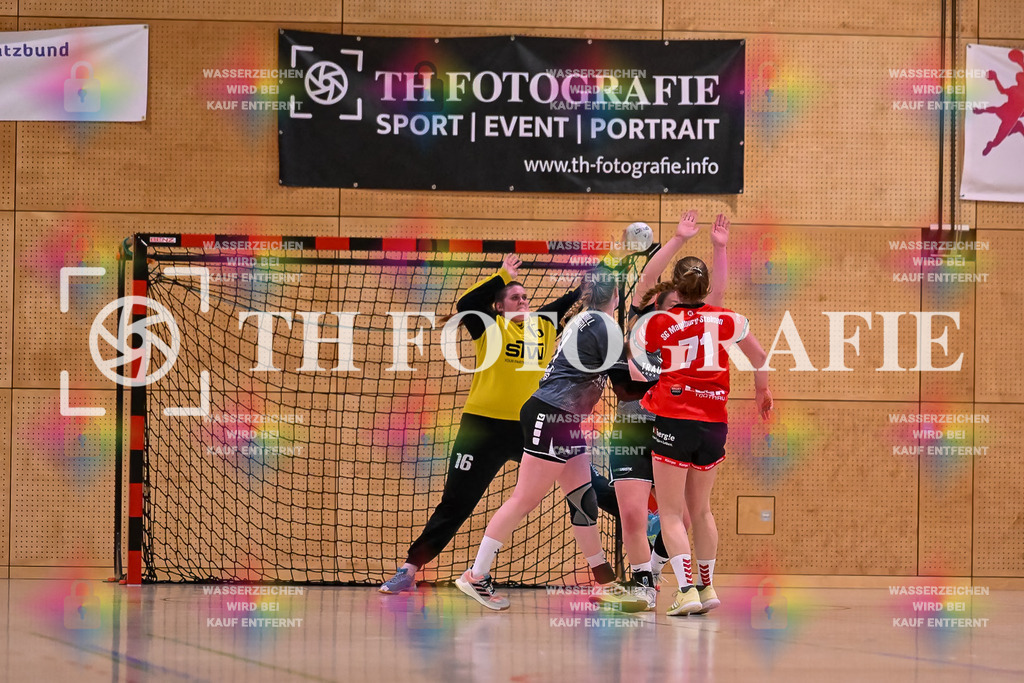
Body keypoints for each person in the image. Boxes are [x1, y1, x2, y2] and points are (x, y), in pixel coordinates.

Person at [379, 254, 619, 594]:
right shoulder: (489, 324)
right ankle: (410, 569)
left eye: (526, 297)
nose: (523, 301)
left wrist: (603, 268)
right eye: (514, 298)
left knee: (586, 484)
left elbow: (578, 294)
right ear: (499, 306)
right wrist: (502, 274)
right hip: (484, 428)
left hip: (531, 426)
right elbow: (466, 302)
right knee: (456, 503)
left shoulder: (544, 324)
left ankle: (641, 521)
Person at [455, 265, 641, 610]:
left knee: (583, 499)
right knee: (525, 499)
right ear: (615, 296)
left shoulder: (583, 321)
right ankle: (476, 575)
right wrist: (664, 367)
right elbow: (629, 382)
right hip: (553, 414)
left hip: (565, 418)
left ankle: (605, 582)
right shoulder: (603, 325)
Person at [601, 211, 730, 611]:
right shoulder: (645, 322)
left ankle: (657, 573)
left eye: (685, 304)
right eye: (673, 302)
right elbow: (643, 284)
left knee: (684, 512)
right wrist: (677, 240)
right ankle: (641, 583)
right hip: (631, 425)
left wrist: (719, 249)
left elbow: (718, 299)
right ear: (661, 302)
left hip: (672, 425)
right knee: (634, 514)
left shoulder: (697, 324)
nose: (681, 310)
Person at [636, 255, 772, 616]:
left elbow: (643, 359)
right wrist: (761, 392)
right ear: (707, 286)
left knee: (669, 512)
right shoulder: (729, 319)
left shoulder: (660, 321)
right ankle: (706, 585)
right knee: (701, 510)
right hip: (714, 423)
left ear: (676, 289)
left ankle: (685, 591)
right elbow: (759, 356)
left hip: (674, 420)